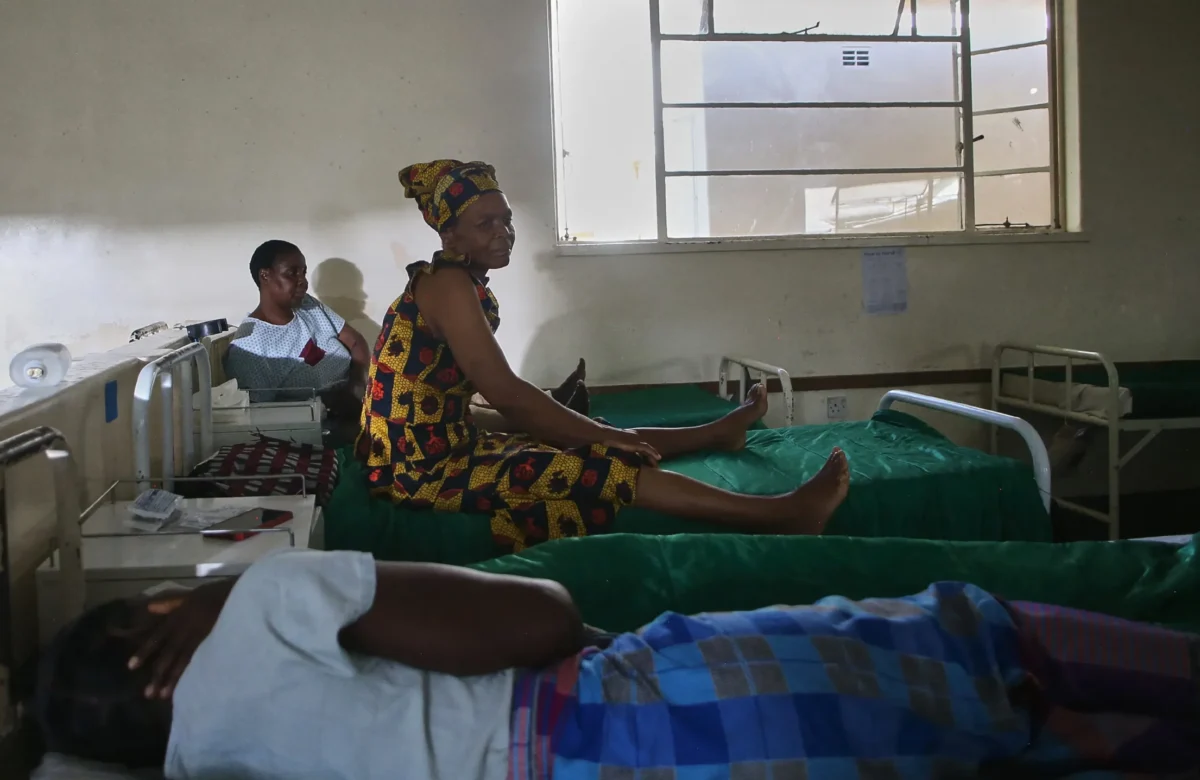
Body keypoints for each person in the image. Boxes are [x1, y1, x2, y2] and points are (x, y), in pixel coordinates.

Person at [34, 550, 1200, 779]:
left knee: (1048, 748)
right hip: (641, 719)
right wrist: (237, 587)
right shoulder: (261, 608)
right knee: (971, 638)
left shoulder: (206, 764)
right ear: (153, 627)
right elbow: (544, 618)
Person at [357, 159, 849, 552]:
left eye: (506, 220)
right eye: (484, 223)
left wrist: (566, 424)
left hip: (437, 439)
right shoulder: (447, 285)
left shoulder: (453, 282)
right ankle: (783, 514)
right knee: (608, 459)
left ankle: (719, 431)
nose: (502, 232)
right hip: (419, 468)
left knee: (588, 435)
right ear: (450, 234)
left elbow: (452, 397)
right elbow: (504, 390)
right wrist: (599, 434)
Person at [225, 240, 371, 419]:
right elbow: (262, 418)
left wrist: (357, 386)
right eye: (292, 273)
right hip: (323, 426)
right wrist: (329, 408)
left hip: (360, 396)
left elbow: (355, 342)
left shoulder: (307, 305)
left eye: (303, 272)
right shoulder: (249, 349)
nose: (303, 282)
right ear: (265, 276)